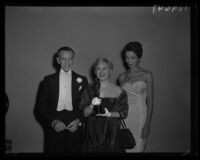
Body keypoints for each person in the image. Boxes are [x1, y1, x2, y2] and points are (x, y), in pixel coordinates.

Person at [36, 46, 88, 154]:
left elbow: (87, 106)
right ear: (58, 60)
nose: (67, 62)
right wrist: (53, 122)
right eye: (63, 59)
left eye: (70, 59)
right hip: (55, 126)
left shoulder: (82, 80)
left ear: (73, 60)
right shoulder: (48, 80)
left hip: (75, 126)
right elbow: (41, 107)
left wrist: (79, 121)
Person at [79, 58, 128, 153]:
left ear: (110, 70)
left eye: (105, 68)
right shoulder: (89, 89)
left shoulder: (119, 90)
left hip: (112, 134)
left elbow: (124, 113)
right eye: (98, 68)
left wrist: (109, 114)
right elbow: (84, 114)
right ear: (94, 71)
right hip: (93, 134)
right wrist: (91, 105)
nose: (101, 71)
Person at [118, 42, 154, 152]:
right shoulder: (121, 77)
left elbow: (150, 101)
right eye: (127, 58)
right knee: (126, 148)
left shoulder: (147, 75)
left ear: (139, 58)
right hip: (125, 116)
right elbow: (120, 102)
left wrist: (147, 124)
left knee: (139, 148)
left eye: (132, 58)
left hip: (140, 116)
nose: (129, 61)